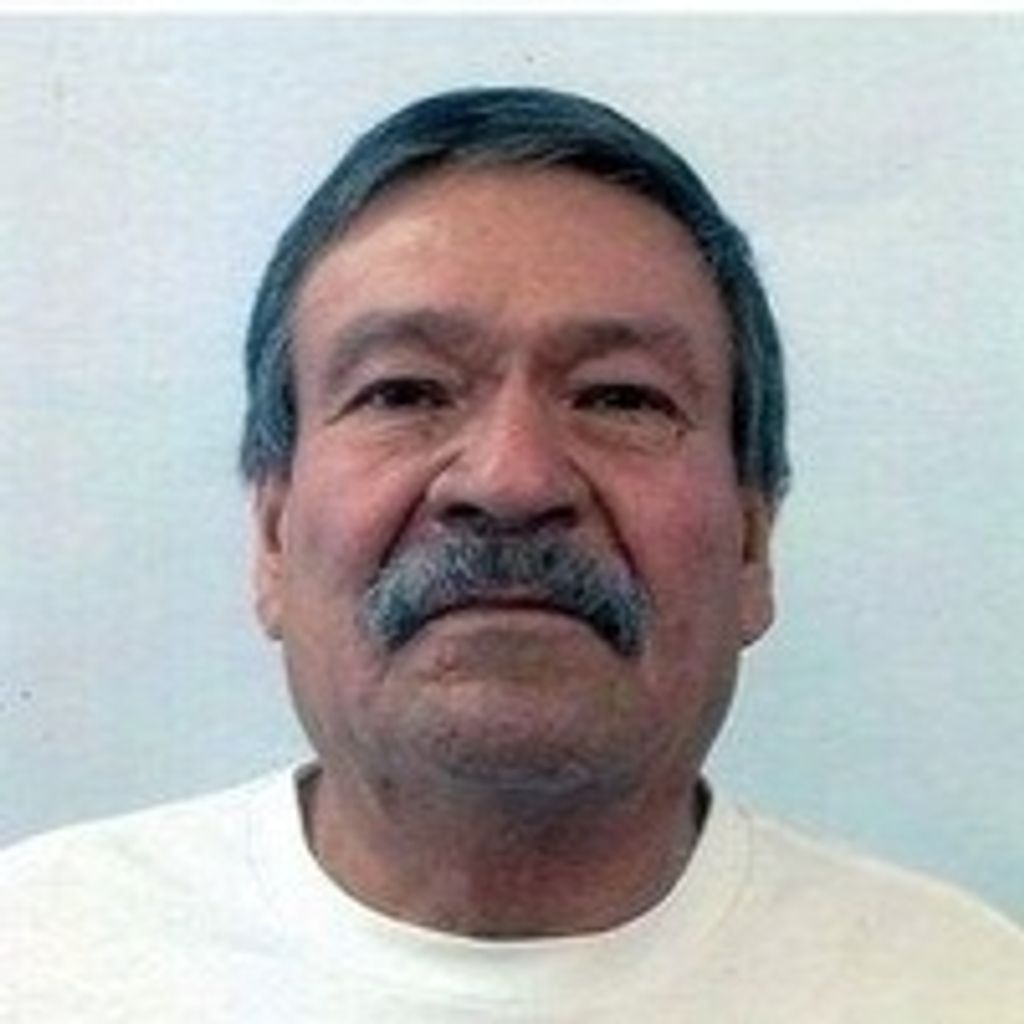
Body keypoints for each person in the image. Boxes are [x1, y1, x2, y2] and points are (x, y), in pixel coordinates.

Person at [1, 86, 1020, 1023]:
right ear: (272, 535)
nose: (512, 479)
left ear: (753, 544)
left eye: (619, 398)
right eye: (404, 391)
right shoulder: (38, 958)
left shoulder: (964, 988)